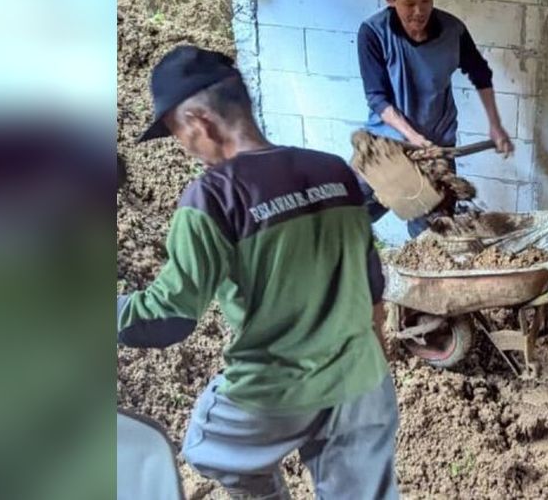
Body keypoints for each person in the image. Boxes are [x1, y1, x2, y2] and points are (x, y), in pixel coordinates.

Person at [117, 46, 398, 499]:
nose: (185, 148)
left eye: (177, 135)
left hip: (278, 391)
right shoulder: (335, 173)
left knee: (206, 447)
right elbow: (373, 289)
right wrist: (372, 365)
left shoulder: (213, 197)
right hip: (364, 385)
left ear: (199, 123)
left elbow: (168, 316)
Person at [356, 0, 514, 234]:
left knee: (432, 238)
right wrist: (415, 138)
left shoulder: (453, 31)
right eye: (409, 3)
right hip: (388, 147)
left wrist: (495, 125)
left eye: (426, 0)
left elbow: (480, 73)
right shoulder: (373, 33)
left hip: (436, 152)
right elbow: (377, 99)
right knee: (347, 216)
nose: (419, 11)